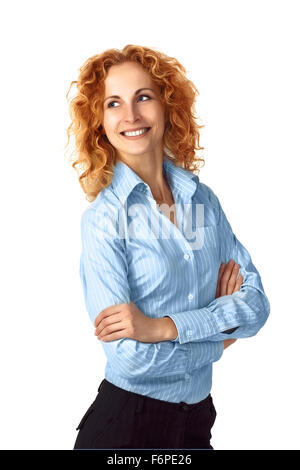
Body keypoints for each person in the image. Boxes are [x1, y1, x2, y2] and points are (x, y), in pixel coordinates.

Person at [65, 45, 270, 450]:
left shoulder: (203, 201)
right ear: (99, 124)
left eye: (143, 97)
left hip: (197, 422)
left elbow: (257, 306)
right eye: (113, 103)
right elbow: (129, 358)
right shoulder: (104, 222)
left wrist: (164, 328)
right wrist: (221, 336)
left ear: (167, 105)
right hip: (126, 427)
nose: (132, 116)